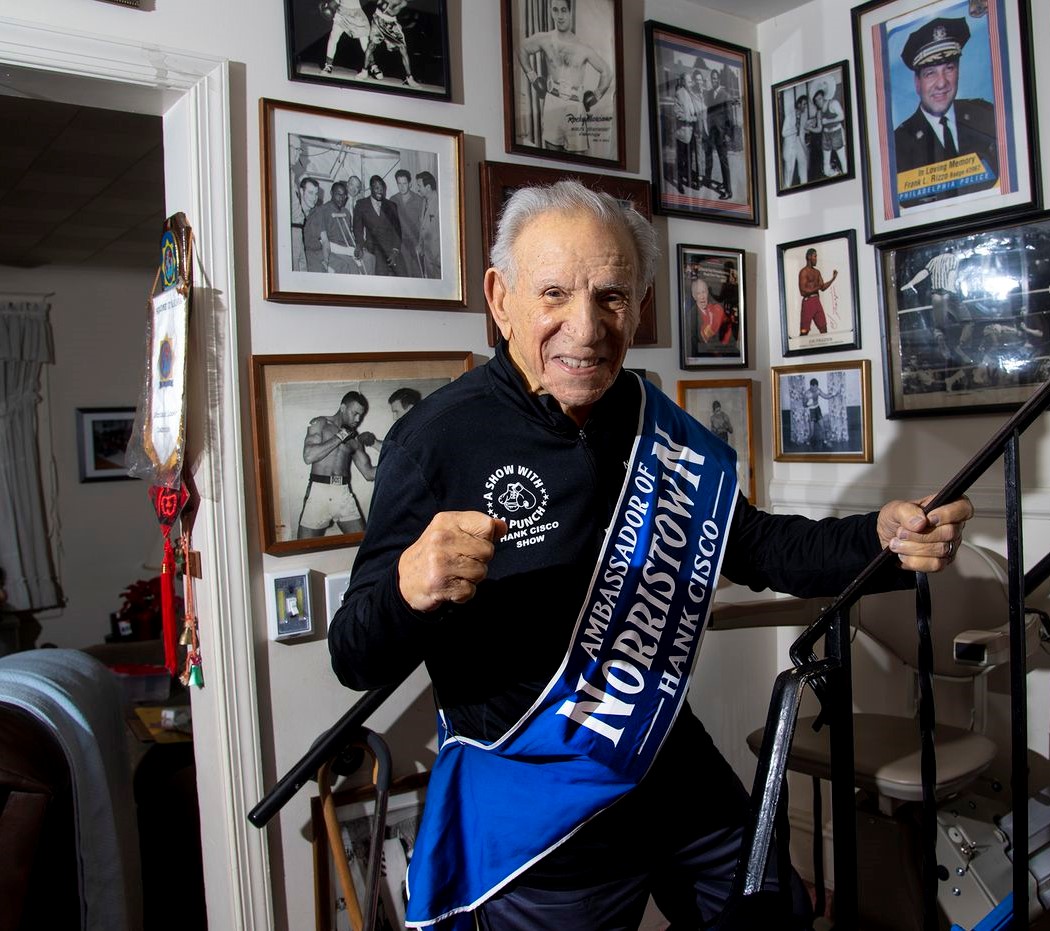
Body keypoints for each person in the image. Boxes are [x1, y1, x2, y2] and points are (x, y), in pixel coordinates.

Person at [327, 180, 973, 930]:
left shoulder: (652, 421)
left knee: (774, 911)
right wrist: (407, 591)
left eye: (611, 296)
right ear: (501, 299)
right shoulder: (434, 440)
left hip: (666, 757)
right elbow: (354, 655)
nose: (586, 327)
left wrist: (879, 540)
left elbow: (757, 545)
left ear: (638, 307)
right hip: (540, 804)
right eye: (554, 293)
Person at [892, 17, 1000, 206]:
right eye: (930, 73)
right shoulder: (898, 143)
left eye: (949, 68)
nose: (942, 83)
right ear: (917, 83)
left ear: (958, 71)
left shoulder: (985, 114)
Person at [516, 0, 613, 154]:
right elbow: (521, 48)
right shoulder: (544, 39)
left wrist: (596, 96)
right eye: (555, 10)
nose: (559, 15)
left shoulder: (583, 47)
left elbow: (607, 72)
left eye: (563, 10)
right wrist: (533, 78)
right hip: (552, 102)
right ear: (551, 11)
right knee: (552, 155)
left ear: (569, 12)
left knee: (578, 159)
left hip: (575, 106)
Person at [297, 391, 377, 539]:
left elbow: (369, 473)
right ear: (343, 408)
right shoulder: (320, 423)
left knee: (363, 544)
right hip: (318, 492)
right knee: (303, 547)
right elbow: (308, 456)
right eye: (355, 413)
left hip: (343, 493)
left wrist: (393, 464)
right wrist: (340, 436)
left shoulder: (355, 439)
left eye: (361, 415)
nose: (358, 419)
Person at [353, 174, 408, 277]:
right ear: (371, 188)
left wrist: (395, 251)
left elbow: (397, 231)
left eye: (382, 189)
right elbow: (357, 230)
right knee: (381, 273)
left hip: (391, 249)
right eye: (376, 188)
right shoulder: (361, 205)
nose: (380, 191)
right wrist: (359, 246)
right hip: (374, 248)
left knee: (403, 275)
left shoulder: (391, 206)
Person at [309, 181, 363, 274]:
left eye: (344, 195)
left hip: (345, 247)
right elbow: (320, 240)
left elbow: (349, 237)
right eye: (338, 194)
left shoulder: (346, 213)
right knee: (350, 265)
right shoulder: (322, 210)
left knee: (370, 259)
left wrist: (356, 247)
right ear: (331, 193)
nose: (341, 198)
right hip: (332, 248)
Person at [363, 0, 419, 87]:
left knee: (402, 47)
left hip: (391, 23)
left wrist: (385, 6)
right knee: (371, 45)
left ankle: (409, 78)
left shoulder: (403, 3)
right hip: (378, 19)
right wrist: (381, 4)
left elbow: (392, 12)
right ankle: (364, 71)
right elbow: (380, 5)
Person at [321, 0, 373, 77]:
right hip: (342, 13)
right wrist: (328, 5)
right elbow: (338, 1)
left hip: (356, 13)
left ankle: (373, 65)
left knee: (364, 41)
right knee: (333, 37)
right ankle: (328, 65)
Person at [703, 68, 732, 199]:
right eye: (712, 78)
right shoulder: (709, 94)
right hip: (711, 131)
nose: (713, 80)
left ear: (719, 79)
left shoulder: (725, 95)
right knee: (709, 156)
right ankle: (714, 181)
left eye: (715, 78)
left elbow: (729, 116)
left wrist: (727, 134)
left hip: (721, 133)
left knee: (723, 160)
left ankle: (728, 191)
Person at [671, 74, 702, 194]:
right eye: (689, 82)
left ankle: (688, 181)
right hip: (682, 135)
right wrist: (692, 119)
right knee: (680, 161)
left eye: (691, 82)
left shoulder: (691, 93)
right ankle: (679, 184)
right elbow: (678, 114)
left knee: (689, 160)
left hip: (691, 133)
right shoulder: (679, 93)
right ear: (683, 82)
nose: (691, 84)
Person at [391, 169, 425, 277]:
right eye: (399, 183)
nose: (402, 187)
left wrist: (420, 244)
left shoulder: (419, 200)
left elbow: (423, 225)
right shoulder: (393, 200)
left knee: (418, 273)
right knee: (405, 273)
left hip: (415, 242)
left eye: (404, 183)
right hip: (400, 242)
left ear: (410, 184)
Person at [797, 247, 837, 336]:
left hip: (817, 302)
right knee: (804, 331)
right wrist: (817, 287)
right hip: (808, 302)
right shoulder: (803, 272)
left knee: (824, 329)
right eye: (815, 256)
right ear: (809, 257)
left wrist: (833, 279)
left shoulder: (817, 272)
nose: (816, 259)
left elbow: (822, 288)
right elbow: (802, 291)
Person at [691, 277, 734, 348]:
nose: (702, 297)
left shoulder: (718, 308)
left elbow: (729, 331)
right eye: (698, 293)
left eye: (704, 292)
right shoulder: (691, 317)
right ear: (694, 296)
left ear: (707, 292)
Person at [414, 170, 441, 278]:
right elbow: (423, 227)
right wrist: (420, 244)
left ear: (428, 187)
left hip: (438, 260)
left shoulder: (440, 204)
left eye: (419, 186)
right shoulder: (424, 201)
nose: (418, 189)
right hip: (428, 257)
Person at [817, 84, 847, 178]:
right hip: (826, 135)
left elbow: (842, 116)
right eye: (816, 100)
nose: (818, 101)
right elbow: (819, 129)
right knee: (826, 167)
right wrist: (808, 127)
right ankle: (836, 174)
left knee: (843, 160)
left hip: (836, 132)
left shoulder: (833, 103)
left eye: (819, 98)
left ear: (824, 97)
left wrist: (828, 121)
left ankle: (847, 178)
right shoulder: (819, 112)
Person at [292, 177, 321, 272]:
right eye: (310, 193)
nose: (314, 198)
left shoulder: (317, 213)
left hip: (316, 255)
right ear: (301, 191)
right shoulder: (294, 216)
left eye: (316, 194)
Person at [780, 93, 809, 188]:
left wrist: (808, 128)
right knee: (789, 171)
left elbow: (802, 131)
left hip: (798, 143)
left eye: (806, 104)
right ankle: (786, 189)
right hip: (789, 147)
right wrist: (794, 129)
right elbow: (784, 133)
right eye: (804, 104)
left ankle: (805, 185)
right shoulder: (789, 116)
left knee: (803, 163)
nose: (805, 106)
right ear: (799, 104)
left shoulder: (803, 117)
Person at [803, 377, 837, 449]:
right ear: (811, 386)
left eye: (816, 387)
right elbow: (804, 405)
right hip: (811, 411)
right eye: (814, 387)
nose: (816, 389)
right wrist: (809, 404)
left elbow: (826, 396)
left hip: (817, 409)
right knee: (812, 432)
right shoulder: (807, 394)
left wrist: (833, 395)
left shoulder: (818, 390)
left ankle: (825, 440)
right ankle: (807, 440)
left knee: (823, 427)